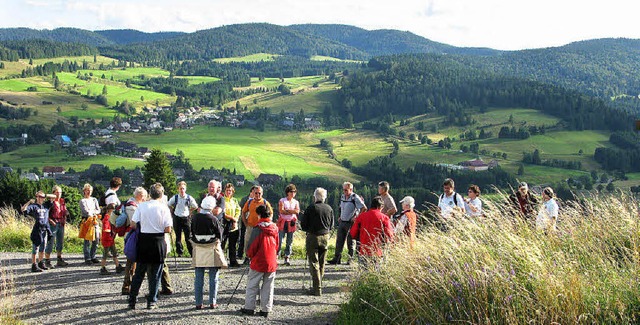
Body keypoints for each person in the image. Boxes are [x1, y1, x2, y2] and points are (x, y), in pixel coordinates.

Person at [128, 183, 173, 310]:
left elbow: (133, 224)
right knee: (156, 274)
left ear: (150, 194)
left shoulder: (141, 206)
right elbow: (168, 229)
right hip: (158, 241)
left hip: (143, 241)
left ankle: (132, 299)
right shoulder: (164, 208)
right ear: (162, 194)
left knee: (139, 273)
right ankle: (152, 300)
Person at [240, 205, 278, 318]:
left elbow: (252, 246)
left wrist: (249, 255)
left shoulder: (258, 229)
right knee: (268, 285)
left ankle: (249, 308)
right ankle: (266, 309)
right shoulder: (275, 228)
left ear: (259, 215)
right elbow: (277, 246)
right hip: (271, 261)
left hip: (258, 261)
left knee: (252, 284)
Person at [190, 196, 226, 310]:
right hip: (211, 248)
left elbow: (192, 231)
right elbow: (220, 234)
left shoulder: (195, 217)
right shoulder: (213, 219)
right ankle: (212, 302)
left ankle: (198, 303)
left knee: (199, 277)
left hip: (198, 248)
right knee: (213, 277)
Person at [300, 187, 334, 296]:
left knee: (314, 262)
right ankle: (319, 285)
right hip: (325, 237)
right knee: (322, 262)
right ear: (324, 198)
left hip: (313, 237)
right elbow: (332, 225)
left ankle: (317, 288)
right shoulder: (329, 208)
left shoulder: (311, 208)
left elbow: (303, 225)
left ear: (314, 197)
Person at [328, 182, 366, 265]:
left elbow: (364, 208)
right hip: (342, 221)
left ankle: (350, 259)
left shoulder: (354, 197)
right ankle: (337, 258)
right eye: (343, 190)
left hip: (350, 223)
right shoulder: (342, 197)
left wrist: (356, 217)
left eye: (346, 190)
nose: (344, 191)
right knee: (339, 240)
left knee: (350, 241)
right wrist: (340, 216)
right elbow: (342, 207)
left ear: (351, 189)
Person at [350, 196, 394, 266]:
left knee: (363, 273)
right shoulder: (384, 218)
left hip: (363, 250)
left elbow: (353, 233)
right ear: (381, 207)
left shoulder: (361, 216)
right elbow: (389, 235)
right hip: (377, 251)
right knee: (376, 273)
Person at [121, 187, 147, 295]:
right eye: (145, 196)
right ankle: (127, 284)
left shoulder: (132, 204)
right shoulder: (132, 206)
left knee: (133, 261)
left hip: (132, 235)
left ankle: (130, 284)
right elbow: (134, 223)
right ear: (140, 196)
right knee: (131, 260)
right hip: (132, 235)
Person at [22, 190, 54, 272]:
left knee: (43, 247)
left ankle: (41, 262)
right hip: (37, 229)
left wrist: (45, 195)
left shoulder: (46, 205)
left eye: (42, 197)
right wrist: (29, 202)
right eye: (39, 197)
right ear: (36, 197)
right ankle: (34, 264)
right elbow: (23, 209)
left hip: (45, 228)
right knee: (35, 247)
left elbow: (54, 197)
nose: (41, 199)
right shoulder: (34, 206)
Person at [241, 186, 273, 261]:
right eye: (256, 193)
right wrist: (245, 222)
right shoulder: (249, 202)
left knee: (259, 243)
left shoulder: (265, 203)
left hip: (261, 227)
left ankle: (257, 258)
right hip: (250, 226)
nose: (258, 195)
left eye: (259, 193)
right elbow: (243, 212)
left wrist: (267, 223)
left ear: (262, 193)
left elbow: (271, 213)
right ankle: (247, 257)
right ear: (253, 193)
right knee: (248, 241)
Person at [168, 181, 198, 257]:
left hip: (186, 218)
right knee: (178, 237)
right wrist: (172, 210)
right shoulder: (175, 197)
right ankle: (179, 253)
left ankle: (191, 253)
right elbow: (168, 204)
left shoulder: (189, 198)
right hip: (177, 217)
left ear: (185, 189)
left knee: (188, 237)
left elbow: (195, 206)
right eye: (180, 189)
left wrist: (190, 210)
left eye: (183, 189)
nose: (182, 190)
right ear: (178, 189)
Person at [44, 185, 69, 268]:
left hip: (61, 223)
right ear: (53, 193)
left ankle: (59, 258)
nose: (59, 194)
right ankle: (47, 260)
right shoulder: (51, 203)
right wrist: (50, 220)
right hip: (53, 223)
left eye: (60, 192)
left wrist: (65, 218)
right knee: (50, 241)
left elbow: (64, 211)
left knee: (60, 242)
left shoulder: (62, 201)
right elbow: (46, 213)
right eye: (57, 192)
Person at [277, 184, 300, 266]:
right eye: (291, 192)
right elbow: (281, 210)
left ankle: (287, 256)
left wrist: (288, 210)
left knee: (289, 241)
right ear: (287, 192)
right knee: (279, 240)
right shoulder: (282, 200)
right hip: (283, 222)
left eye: (294, 192)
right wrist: (292, 211)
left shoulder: (296, 202)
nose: (293, 193)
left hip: (292, 222)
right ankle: (276, 256)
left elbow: (297, 211)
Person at [99, 203, 125, 275]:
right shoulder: (107, 218)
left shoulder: (109, 217)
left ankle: (117, 266)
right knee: (105, 254)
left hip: (110, 239)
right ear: (110, 210)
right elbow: (106, 229)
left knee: (114, 253)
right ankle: (102, 268)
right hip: (107, 239)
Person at [79, 183, 101, 265]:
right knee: (87, 240)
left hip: (95, 220)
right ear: (84, 191)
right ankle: (87, 257)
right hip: (87, 221)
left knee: (97, 238)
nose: (89, 192)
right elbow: (86, 211)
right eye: (87, 190)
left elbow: (98, 210)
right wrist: (93, 212)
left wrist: (93, 212)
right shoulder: (82, 201)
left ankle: (93, 256)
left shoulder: (94, 200)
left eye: (90, 191)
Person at [221, 183, 241, 267]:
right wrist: (232, 218)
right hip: (225, 222)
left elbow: (238, 210)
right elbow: (223, 212)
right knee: (223, 242)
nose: (229, 192)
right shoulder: (222, 200)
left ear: (233, 192)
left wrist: (235, 219)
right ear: (224, 191)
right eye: (227, 190)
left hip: (233, 223)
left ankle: (233, 261)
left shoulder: (234, 200)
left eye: (230, 191)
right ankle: (221, 261)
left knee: (232, 244)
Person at [237, 186, 257, 263]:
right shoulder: (245, 199)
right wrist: (244, 221)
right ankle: (241, 254)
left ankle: (252, 255)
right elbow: (242, 210)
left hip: (253, 223)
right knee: (243, 238)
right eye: (254, 192)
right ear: (251, 192)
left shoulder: (259, 201)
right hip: (244, 221)